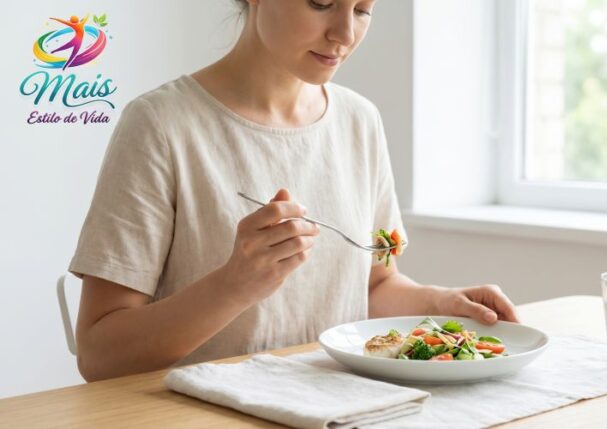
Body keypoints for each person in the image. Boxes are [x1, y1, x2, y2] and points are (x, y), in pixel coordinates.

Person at [69, 0, 519, 382]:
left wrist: (440, 302)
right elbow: (100, 355)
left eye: (363, 10)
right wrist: (234, 284)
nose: (344, 33)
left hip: (337, 405)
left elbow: (375, 283)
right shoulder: (161, 125)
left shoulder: (359, 121)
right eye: (321, 2)